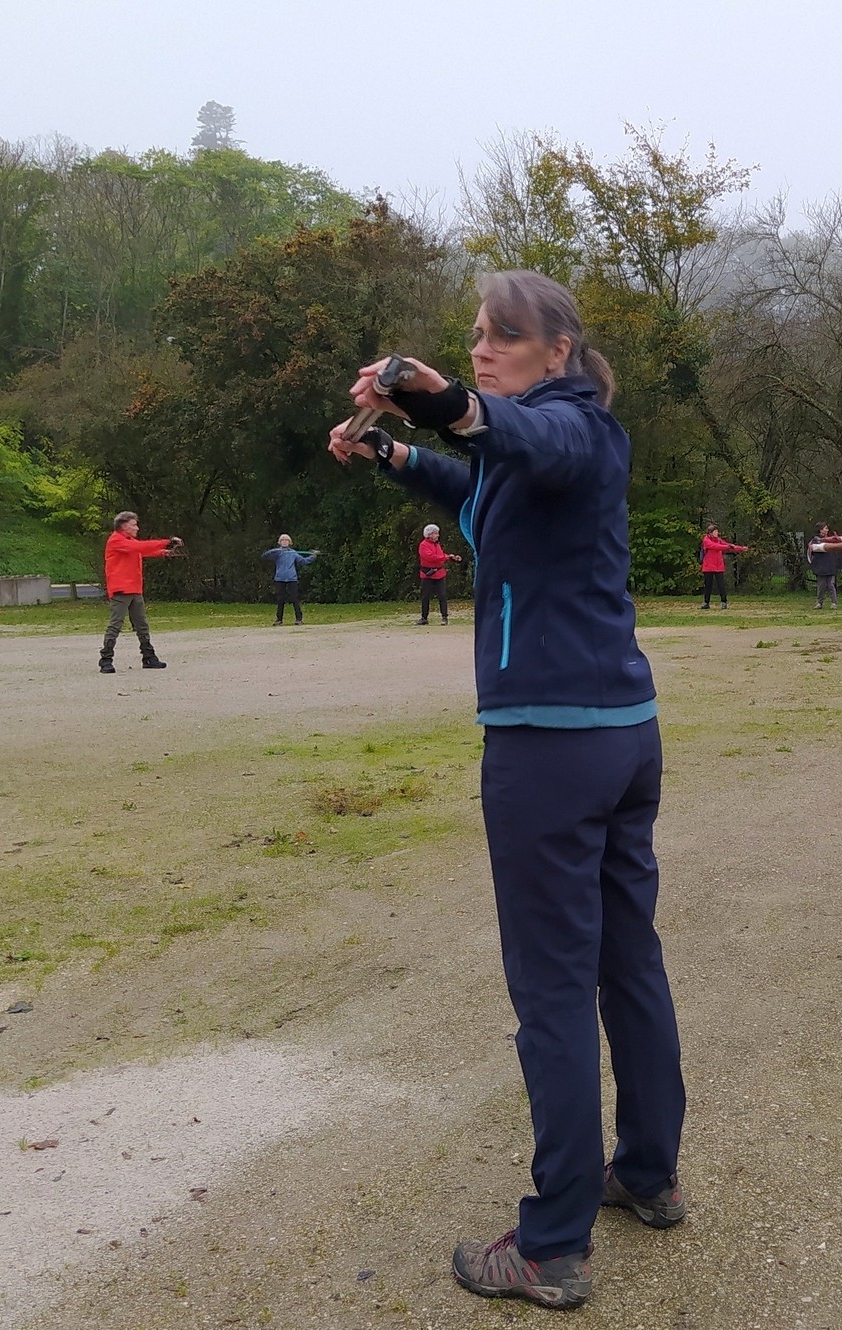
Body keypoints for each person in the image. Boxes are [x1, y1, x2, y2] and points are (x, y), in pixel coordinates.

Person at [326, 270, 685, 1311]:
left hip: (551, 747)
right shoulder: (523, 447)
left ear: (559, 352)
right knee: (626, 961)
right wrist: (393, 450)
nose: (484, 348)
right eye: (477, 337)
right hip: (618, 736)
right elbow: (478, 487)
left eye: (505, 338)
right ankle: (647, 1174)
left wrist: (442, 399)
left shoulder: (578, 431)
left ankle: (553, 1240)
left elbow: (527, 444)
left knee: (552, 991)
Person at [99, 511, 181, 674]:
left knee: (141, 625)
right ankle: (106, 659)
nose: (137, 528)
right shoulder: (116, 540)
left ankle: (148, 657)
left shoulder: (128, 541)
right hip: (121, 589)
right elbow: (139, 547)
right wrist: (166, 542)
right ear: (123, 526)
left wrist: (164, 553)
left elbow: (140, 551)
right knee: (116, 624)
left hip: (134, 589)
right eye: (134, 524)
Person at [260, 534, 318, 625]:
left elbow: (303, 561)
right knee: (280, 599)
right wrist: (274, 550)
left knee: (294, 598)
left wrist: (313, 556)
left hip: (292, 578)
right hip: (280, 579)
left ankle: (299, 619)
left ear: (289, 542)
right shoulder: (277, 553)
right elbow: (264, 556)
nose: (284, 541)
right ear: (279, 542)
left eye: (286, 540)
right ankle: (279, 620)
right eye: (282, 540)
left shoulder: (293, 553)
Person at [417, 522, 462, 624]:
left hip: (439, 574)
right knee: (425, 597)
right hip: (427, 574)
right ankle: (424, 618)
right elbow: (431, 557)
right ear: (430, 535)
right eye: (436, 533)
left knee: (442, 596)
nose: (438, 535)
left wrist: (451, 557)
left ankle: (444, 618)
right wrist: (446, 557)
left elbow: (440, 556)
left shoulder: (437, 544)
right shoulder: (423, 545)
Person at [698, 525, 745, 609]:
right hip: (708, 566)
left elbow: (728, 546)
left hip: (718, 566)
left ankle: (724, 602)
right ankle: (706, 602)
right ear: (710, 533)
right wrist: (727, 546)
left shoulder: (719, 540)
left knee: (721, 585)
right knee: (708, 585)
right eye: (715, 532)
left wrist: (741, 548)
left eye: (717, 531)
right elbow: (715, 546)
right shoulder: (706, 540)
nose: (717, 533)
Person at [807, 523, 840, 608]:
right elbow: (812, 550)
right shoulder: (815, 541)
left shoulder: (830, 540)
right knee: (821, 586)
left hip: (830, 566)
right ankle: (819, 603)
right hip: (820, 567)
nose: (827, 530)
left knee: (831, 585)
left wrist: (836, 540)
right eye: (825, 528)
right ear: (820, 530)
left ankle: (834, 603)